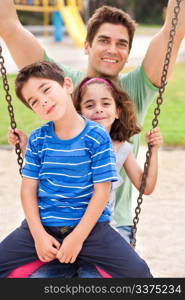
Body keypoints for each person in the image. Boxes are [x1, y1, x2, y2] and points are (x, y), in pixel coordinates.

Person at [1, 0, 185, 277]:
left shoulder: (137, 86)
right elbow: (10, 28)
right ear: (86, 45)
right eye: (104, 40)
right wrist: (28, 146)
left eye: (122, 44)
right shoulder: (58, 82)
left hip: (110, 226)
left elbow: (174, 28)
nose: (112, 49)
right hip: (54, 223)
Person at [0, 61, 153, 278]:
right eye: (34, 101)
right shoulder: (38, 139)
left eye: (46, 89)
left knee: (139, 273)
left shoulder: (97, 136)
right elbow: (27, 190)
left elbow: (102, 191)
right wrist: (38, 235)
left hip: (91, 229)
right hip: (44, 225)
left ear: (67, 85)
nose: (43, 100)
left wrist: (76, 238)